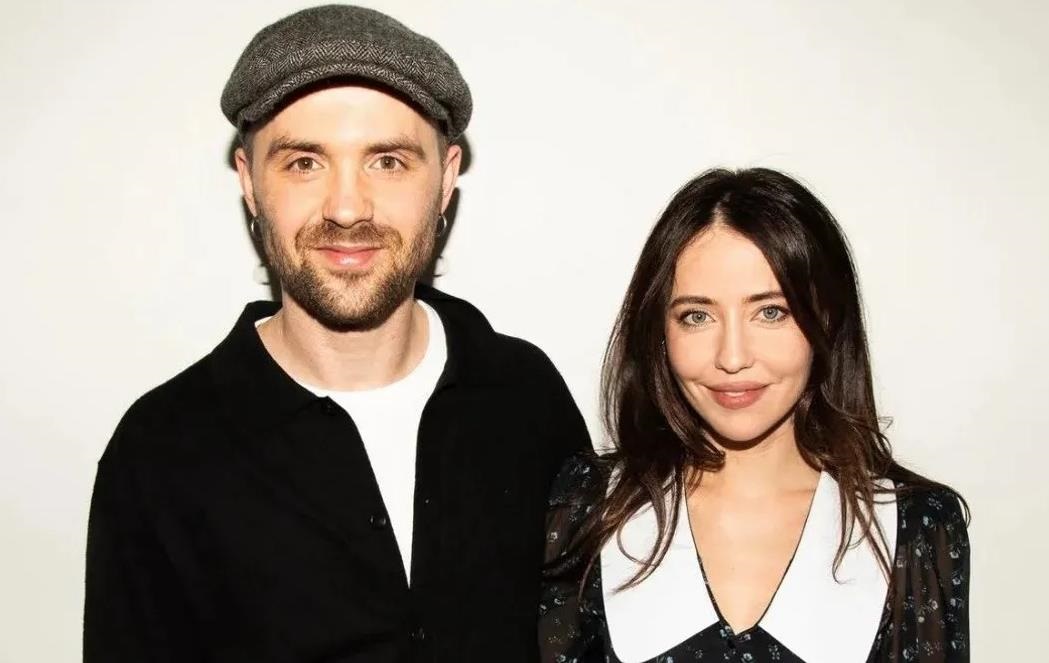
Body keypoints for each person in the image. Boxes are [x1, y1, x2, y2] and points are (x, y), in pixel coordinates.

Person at [83, 6, 590, 662]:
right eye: (304, 163)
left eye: (388, 161)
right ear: (248, 181)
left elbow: (587, 631)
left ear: (446, 178)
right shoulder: (159, 453)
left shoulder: (526, 396)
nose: (347, 208)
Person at [539, 168, 970, 662]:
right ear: (659, 332)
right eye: (697, 316)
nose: (733, 357)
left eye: (771, 312)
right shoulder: (586, 505)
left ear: (827, 320)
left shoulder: (917, 528)